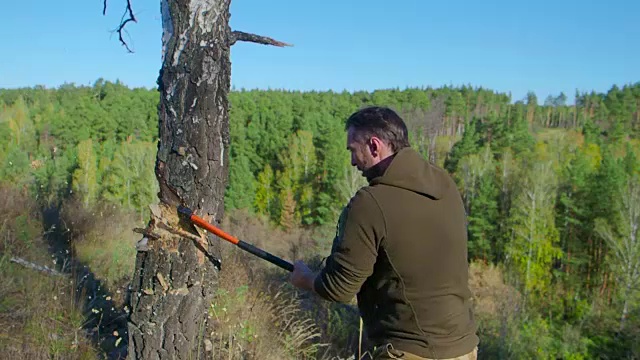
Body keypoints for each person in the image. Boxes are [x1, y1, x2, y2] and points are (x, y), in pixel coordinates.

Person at [290, 106, 479, 360]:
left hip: (414, 351)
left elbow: (339, 288)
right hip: (464, 347)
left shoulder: (370, 203)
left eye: (353, 150)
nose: (352, 161)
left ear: (374, 145)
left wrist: (307, 279)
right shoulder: (444, 184)